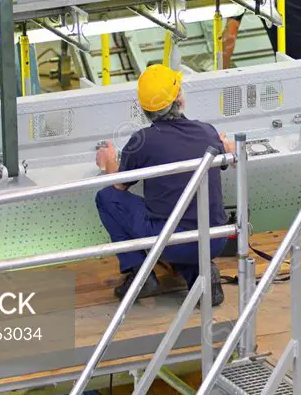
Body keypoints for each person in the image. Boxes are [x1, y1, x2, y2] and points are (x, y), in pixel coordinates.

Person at [94, 64, 234, 306]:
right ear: (179, 98)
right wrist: (227, 147)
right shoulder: (207, 132)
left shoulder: (142, 141)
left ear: (144, 109)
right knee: (181, 226)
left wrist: (108, 163)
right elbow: (226, 155)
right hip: (214, 240)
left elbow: (119, 187)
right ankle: (201, 277)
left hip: (173, 242)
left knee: (106, 198)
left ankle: (140, 275)